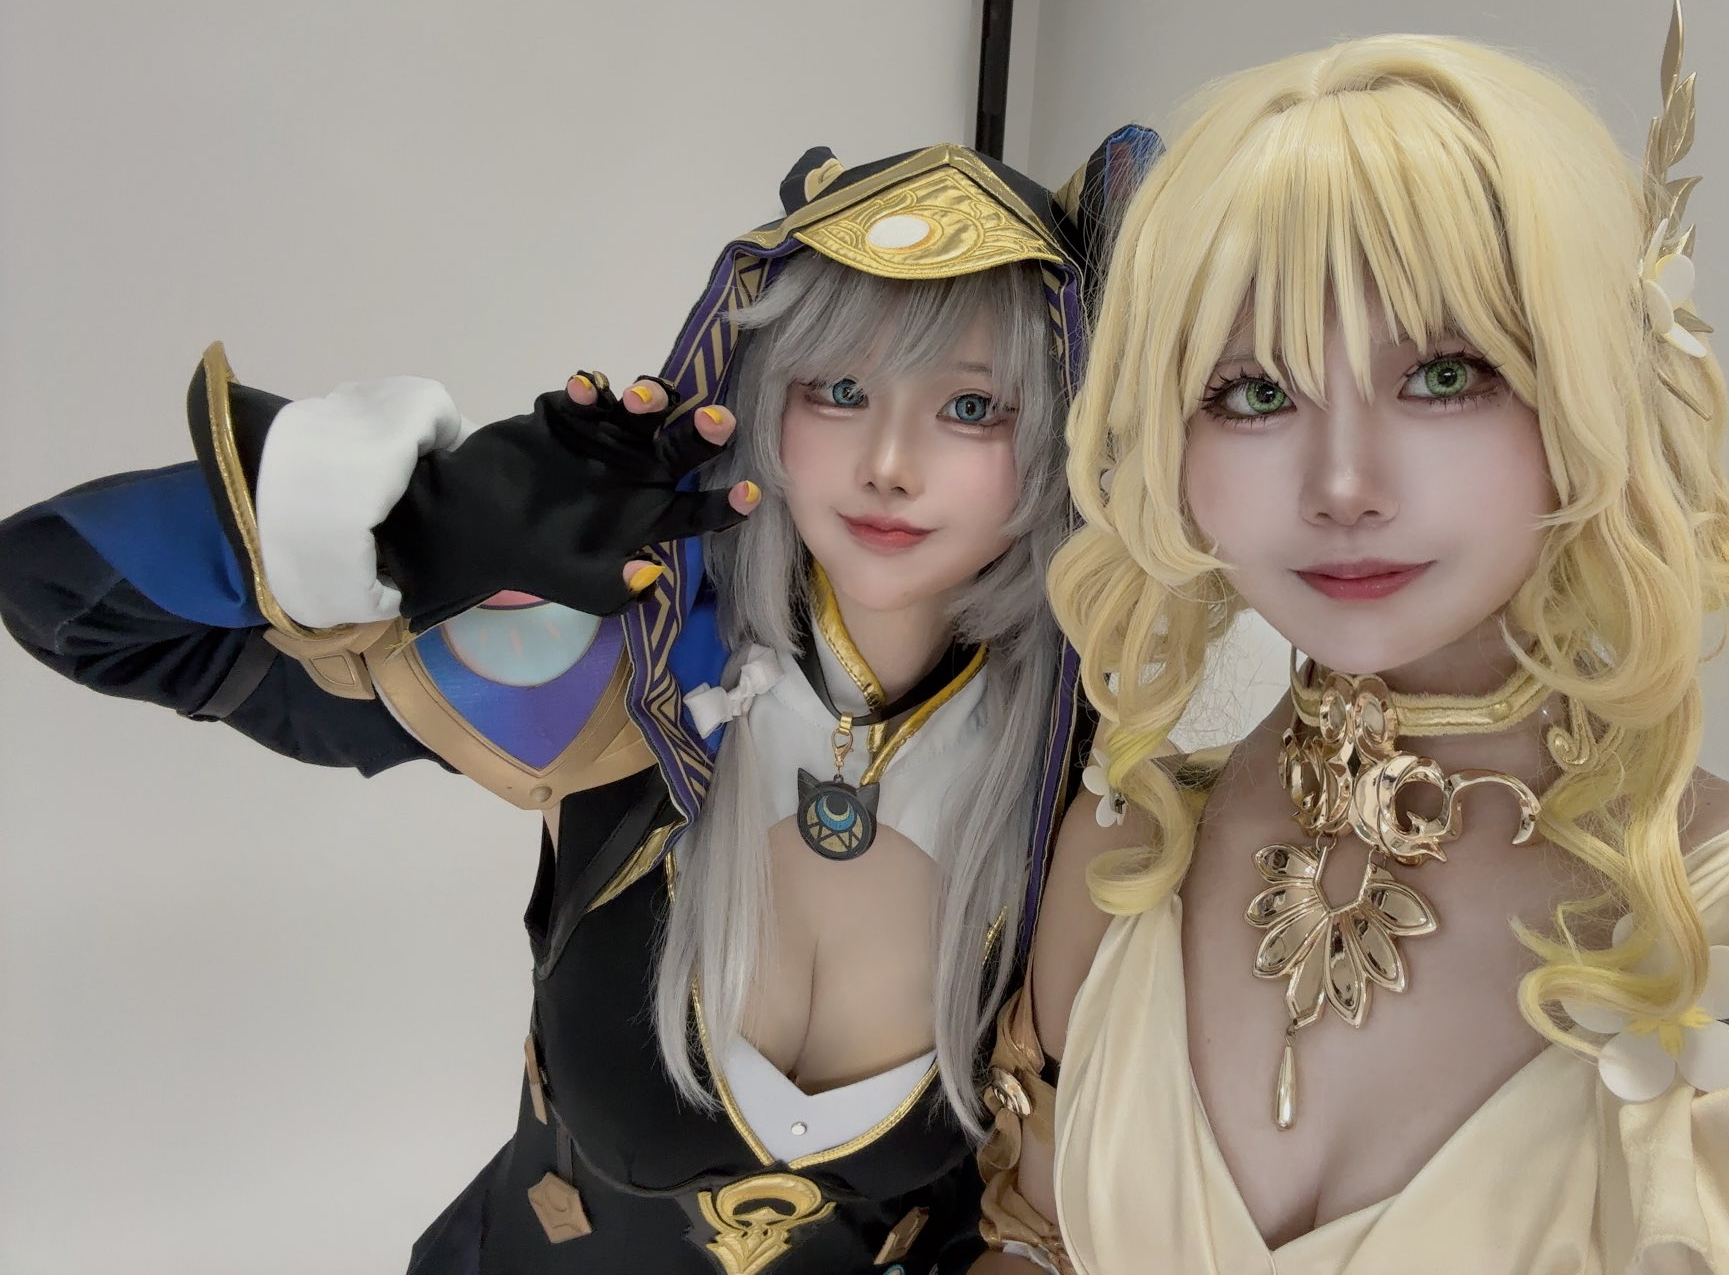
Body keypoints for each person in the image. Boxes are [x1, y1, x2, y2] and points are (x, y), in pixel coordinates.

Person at [973, 8, 1729, 1275]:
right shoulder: (1119, 864)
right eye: (1253, 394)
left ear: (1594, 391)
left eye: (1443, 375)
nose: (1341, 485)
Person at [0, 132, 1153, 1273]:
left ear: (1062, 427)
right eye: (840, 390)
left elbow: (1048, 1223)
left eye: (971, 407)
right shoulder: (626, 671)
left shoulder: (1083, 786)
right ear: (768, 401)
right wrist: (422, 532)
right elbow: (60, 594)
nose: (889, 462)